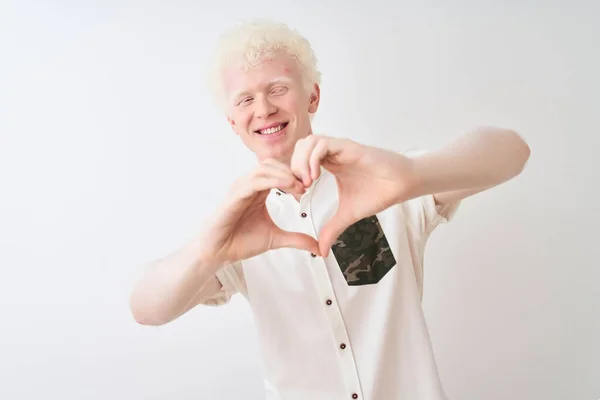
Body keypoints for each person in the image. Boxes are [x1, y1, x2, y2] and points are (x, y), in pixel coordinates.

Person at [129, 19, 531, 400]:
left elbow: (512, 152)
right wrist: (206, 251)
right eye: (246, 99)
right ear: (233, 122)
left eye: (278, 88)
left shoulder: (383, 182)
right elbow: (146, 309)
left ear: (313, 96)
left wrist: (412, 175)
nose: (264, 108)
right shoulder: (235, 229)